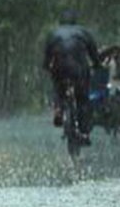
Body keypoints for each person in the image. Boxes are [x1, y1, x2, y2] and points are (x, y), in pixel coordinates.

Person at [42, 11, 100, 143]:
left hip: (60, 68)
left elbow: (47, 57)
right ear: (75, 21)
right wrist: (97, 65)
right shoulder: (83, 32)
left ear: (61, 22)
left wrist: (46, 67)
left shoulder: (53, 33)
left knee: (57, 87)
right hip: (78, 69)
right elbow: (94, 54)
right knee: (82, 98)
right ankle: (84, 131)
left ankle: (58, 109)